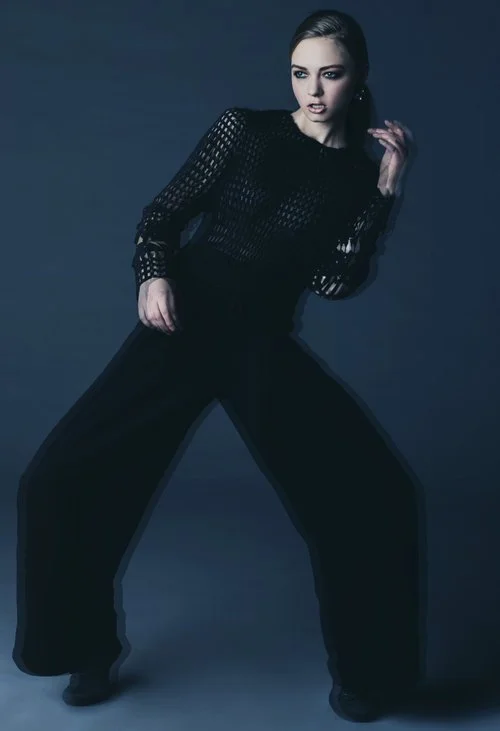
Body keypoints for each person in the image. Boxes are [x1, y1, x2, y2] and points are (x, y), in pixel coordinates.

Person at [12, 8, 420, 724]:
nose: (312, 90)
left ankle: (366, 674)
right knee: (59, 478)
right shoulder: (245, 130)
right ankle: (84, 647)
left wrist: (385, 189)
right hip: (184, 323)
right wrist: (153, 274)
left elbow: (333, 281)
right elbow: (163, 214)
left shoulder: (358, 176)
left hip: (259, 342)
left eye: (329, 74)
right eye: (299, 73)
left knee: (373, 490)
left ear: (358, 79)